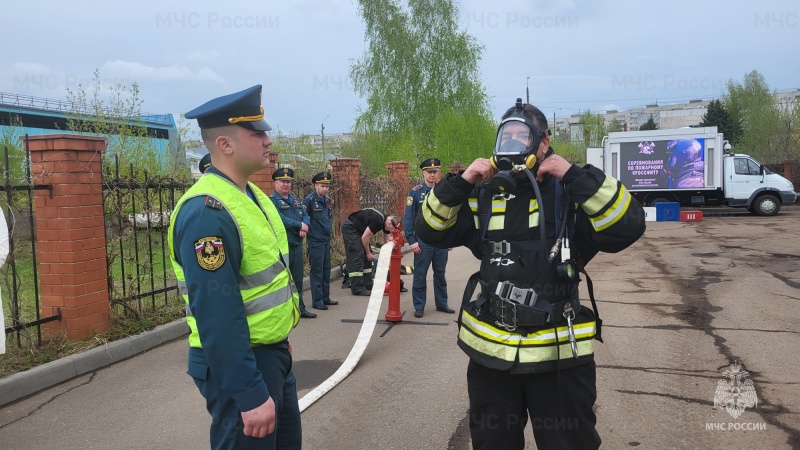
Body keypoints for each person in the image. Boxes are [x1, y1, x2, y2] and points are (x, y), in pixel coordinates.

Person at [416, 98, 645, 449]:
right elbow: (430, 228)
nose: (511, 144)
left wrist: (572, 175)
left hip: (559, 361)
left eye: (520, 136)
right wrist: (462, 182)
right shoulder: (485, 193)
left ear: (543, 142)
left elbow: (628, 225)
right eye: (505, 136)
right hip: (492, 361)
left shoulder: (571, 190)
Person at [172, 85, 302, 449]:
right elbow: (217, 313)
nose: (267, 139)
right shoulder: (206, 213)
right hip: (239, 365)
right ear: (225, 145)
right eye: (256, 132)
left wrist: (280, 344)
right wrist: (248, 391)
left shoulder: (250, 194)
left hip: (270, 355)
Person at [403, 157, 453, 318]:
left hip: (440, 241)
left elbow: (450, 215)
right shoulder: (415, 192)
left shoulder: (444, 190)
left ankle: (442, 304)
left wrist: (450, 238)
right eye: (429, 172)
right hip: (423, 241)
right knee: (420, 275)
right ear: (423, 173)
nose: (432, 175)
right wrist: (412, 241)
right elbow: (409, 218)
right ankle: (419, 306)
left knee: (440, 274)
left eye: (435, 171)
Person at [269, 167, 316, 319]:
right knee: (282, 280)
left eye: (288, 182)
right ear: (275, 183)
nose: (286, 185)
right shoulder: (272, 202)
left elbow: (305, 214)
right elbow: (280, 219)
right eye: (283, 182)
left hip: (297, 244)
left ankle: (300, 308)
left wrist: (305, 225)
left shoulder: (295, 200)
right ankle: (284, 312)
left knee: (298, 279)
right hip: (283, 247)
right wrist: (299, 226)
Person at [341, 208, 399, 296]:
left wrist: (389, 257)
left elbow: (386, 241)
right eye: (391, 228)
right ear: (390, 223)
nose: (391, 230)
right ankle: (358, 288)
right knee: (357, 255)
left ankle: (368, 285)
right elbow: (364, 238)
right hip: (351, 228)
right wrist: (368, 253)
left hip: (360, 231)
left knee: (367, 258)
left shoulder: (385, 221)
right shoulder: (378, 220)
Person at [302, 172, 339, 310]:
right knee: (317, 271)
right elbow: (304, 216)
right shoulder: (309, 200)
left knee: (326, 269)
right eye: (322, 186)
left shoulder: (327, 200)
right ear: (316, 185)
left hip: (325, 239)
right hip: (315, 240)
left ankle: (325, 297)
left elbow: (328, 218)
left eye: (327, 186)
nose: (325, 189)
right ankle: (317, 301)